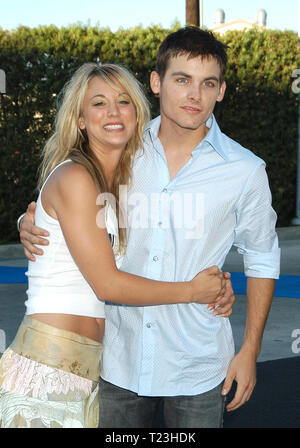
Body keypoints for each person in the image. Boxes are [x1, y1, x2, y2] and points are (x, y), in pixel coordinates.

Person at [19, 26, 279, 429]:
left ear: (221, 91)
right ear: (157, 83)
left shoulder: (245, 171)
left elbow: (262, 258)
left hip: (196, 363)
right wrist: (29, 219)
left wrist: (249, 350)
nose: (194, 95)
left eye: (207, 83)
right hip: (116, 361)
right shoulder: (123, 148)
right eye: (182, 80)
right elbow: (66, 193)